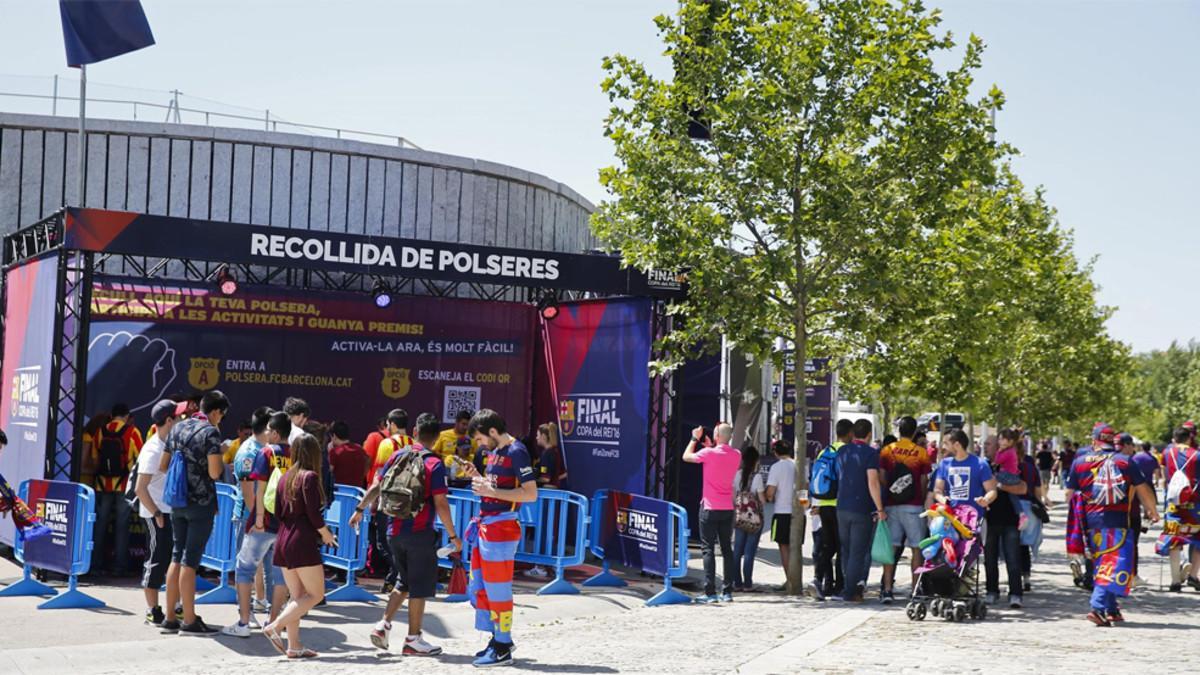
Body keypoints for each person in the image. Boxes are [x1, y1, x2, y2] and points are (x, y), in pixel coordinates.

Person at [350, 413, 462, 656]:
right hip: (419, 532)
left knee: (404, 581)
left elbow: (377, 485)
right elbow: (441, 503)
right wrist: (454, 537)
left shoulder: (397, 456)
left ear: (415, 432)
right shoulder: (434, 463)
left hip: (393, 529)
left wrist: (359, 509)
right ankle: (413, 639)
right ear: (436, 437)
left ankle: (383, 625)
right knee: (420, 587)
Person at [464, 409, 538, 668]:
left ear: (493, 432)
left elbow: (530, 494)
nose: (480, 444)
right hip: (487, 527)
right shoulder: (495, 452)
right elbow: (496, 487)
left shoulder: (517, 451)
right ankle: (497, 639)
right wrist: (477, 477)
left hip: (502, 530)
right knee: (479, 587)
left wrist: (489, 489)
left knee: (498, 590)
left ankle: (503, 645)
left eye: (481, 439)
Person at [1066, 423, 1159, 626]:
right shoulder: (1125, 462)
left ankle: (1111, 609)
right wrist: (1153, 510)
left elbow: (1069, 494)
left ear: (1094, 440)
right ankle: (1097, 607)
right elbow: (1143, 489)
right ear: (1114, 441)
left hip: (1090, 522)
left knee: (1103, 562)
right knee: (1115, 563)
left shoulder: (1080, 462)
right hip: (1117, 521)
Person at [160, 390, 230, 636]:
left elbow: (163, 465)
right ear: (215, 411)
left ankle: (169, 618)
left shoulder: (178, 427)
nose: (221, 419)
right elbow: (213, 473)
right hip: (200, 504)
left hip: (177, 501)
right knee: (190, 561)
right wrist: (219, 457)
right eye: (222, 414)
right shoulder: (210, 432)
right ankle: (189, 620)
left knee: (176, 556)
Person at [262, 433, 337, 659]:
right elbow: (314, 515)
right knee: (315, 594)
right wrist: (326, 534)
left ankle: (294, 646)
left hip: (283, 538)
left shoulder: (285, 477)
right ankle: (275, 626)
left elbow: (275, 509)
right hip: (301, 541)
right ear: (315, 453)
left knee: (297, 596)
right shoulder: (310, 477)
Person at [222, 412, 292, 637]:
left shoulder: (265, 453)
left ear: (276, 432)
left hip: (263, 523)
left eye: (270, 429)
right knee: (281, 576)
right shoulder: (297, 454)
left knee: (244, 571)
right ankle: (274, 624)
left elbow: (258, 489)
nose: (267, 433)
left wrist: (259, 518)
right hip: (285, 525)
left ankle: (243, 623)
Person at [133, 400, 180, 626]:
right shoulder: (153, 449)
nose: (182, 420)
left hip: (171, 510)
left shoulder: (169, 443)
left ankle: (177, 607)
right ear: (169, 420)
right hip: (158, 513)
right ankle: (153, 610)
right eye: (178, 416)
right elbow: (140, 489)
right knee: (156, 561)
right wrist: (157, 514)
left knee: (174, 561)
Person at [683, 423, 741, 603]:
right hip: (727, 508)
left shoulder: (708, 454)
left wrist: (694, 438)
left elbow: (686, 456)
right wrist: (710, 446)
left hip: (709, 506)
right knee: (726, 549)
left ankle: (710, 592)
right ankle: (727, 591)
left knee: (708, 549)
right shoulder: (737, 455)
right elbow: (720, 460)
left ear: (716, 435)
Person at [878, 416, 932, 604]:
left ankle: (887, 589)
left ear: (899, 430)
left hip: (892, 505)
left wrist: (891, 492)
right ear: (914, 431)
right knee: (916, 548)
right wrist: (922, 497)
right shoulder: (921, 453)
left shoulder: (887, 451)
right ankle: (915, 589)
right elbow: (924, 480)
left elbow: (882, 477)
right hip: (914, 505)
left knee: (891, 548)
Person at [90, 402, 144, 576]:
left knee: (99, 524)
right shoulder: (132, 432)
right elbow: (140, 458)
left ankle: (95, 564)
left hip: (101, 483)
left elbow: (94, 457)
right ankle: (120, 566)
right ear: (127, 416)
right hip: (124, 484)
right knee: (122, 524)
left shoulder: (100, 431)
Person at [835, 419, 885, 602]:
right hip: (861, 507)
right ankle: (850, 592)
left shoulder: (841, 451)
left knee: (846, 550)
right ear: (869, 434)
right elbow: (872, 481)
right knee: (858, 552)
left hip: (841, 506)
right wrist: (880, 508)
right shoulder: (870, 454)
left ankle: (847, 586)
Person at [369, 409, 416, 594]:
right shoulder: (414, 444)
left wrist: (372, 500)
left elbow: (379, 474)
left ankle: (398, 572)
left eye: (388, 424)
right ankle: (394, 578)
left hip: (388, 499)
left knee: (383, 542)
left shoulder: (387, 444)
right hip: (409, 500)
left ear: (393, 424)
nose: (387, 428)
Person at [810, 421, 850, 599]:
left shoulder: (824, 451)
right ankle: (839, 586)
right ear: (849, 433)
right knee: (841, 547)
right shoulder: (846, 452)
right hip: (839, 505)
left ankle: (822, 582)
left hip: (823, 504)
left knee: (827, 546)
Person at [1159, 426, 1200, 593]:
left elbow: (1164, 475)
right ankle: (1193, 575)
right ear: (1190, 438)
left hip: (1173, 503)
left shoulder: (1167, 453)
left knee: (1174, 539)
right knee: (1198, 539)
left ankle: (1175, 580)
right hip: (1195, 503)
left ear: (1174, 439)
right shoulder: (1197, 455)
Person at [1123, 434, 1158, 587]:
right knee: (1131, 543)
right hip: (1131, 511)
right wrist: (1150, 510)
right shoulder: (1132, 463)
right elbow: (1140, 489)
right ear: (1128, 445)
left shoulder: (1107, 461)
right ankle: (1132, 575)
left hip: (1106, 512)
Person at [732, 445, 765, 591]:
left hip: (739, 517)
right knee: (749, 552)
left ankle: (736, 582)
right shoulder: (757, 476)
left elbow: (733, 496)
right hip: (754, 519)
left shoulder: (737, 474)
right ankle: (747, 583)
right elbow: (762, 500)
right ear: (756, 460)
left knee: (737, 550)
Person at [765, 438, 796, 590]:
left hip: (781, 511)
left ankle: (790, 580)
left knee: (784, 547)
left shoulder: (776, 467)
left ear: (776, 452)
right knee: (795, 547)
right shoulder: (800, 465)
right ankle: (795, 578)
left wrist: (769, 497)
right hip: (798, 512)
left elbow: (770, 492)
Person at [328, 421, 371, 489]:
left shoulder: (334, 452)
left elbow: (330, 471)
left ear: (334, 436)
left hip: (340, 490)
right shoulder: (359, 449)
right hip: (357, 490)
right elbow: (368, 460)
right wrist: (362, 475)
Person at [222, 419, 254, 484]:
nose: (248, 437)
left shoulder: (256, 447)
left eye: (250, 435)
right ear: (239, 432)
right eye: (246, 434)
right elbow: (223, 464)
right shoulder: (231, 446)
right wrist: (229, 467)